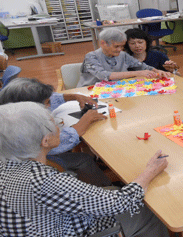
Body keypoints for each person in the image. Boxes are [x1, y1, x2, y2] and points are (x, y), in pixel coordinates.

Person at [0, 102, 170, 236]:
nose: (59, 128)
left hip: (38, 224)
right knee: (147, 210)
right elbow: (122, 202)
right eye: (55, 124)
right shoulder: (44, 181)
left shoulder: (6, 164)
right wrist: (149, 172)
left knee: (112, 189)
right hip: (72, 229)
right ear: (45, 141)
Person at [0, 77, 111, 186]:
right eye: (47, 103)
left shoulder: (11, 113)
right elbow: (56, 143)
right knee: (83, 159)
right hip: (42, 161)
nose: (49, 105)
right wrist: (83, 123)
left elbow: (51, 98)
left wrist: (74, 96)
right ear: (32, 107)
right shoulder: (25, 130)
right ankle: (104, 185)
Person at [77, 28, 170, 87]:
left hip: (116, 90)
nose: (120, 49)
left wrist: (157, 71)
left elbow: (142, 66)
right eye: (116, 46)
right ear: (103, 43)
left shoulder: (123, 55)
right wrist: (138, 73)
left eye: (122, 46)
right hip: (91, 91)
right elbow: (103, 75)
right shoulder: (91, 56)